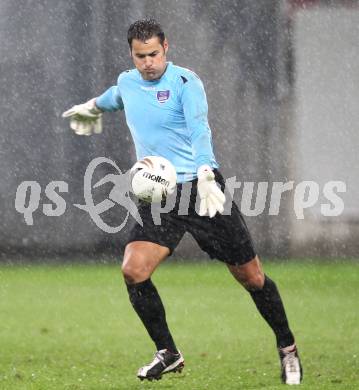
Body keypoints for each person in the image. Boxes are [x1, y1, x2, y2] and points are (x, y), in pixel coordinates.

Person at [62, 18, 303, 385]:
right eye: (140, 56)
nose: (148, 63)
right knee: (133, 270)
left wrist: (207, 170)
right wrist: (92, 106)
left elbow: (198, 127)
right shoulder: (129, 82)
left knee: (252, 278)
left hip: (202, 189)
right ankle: (168, 353)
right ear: (132, 54)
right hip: (160, 196)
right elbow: (115, 97)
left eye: (154, 54)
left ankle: (287, 348)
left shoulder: (185, 82)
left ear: (166, 48)